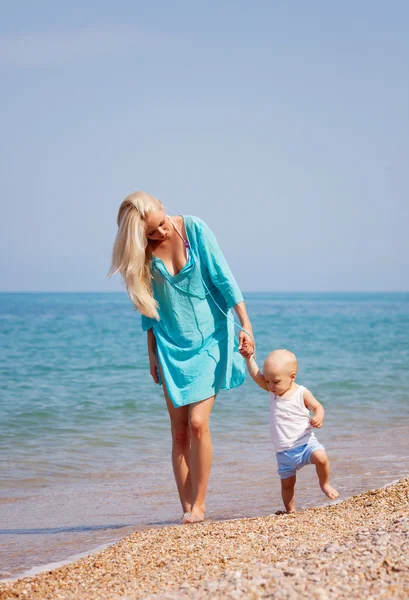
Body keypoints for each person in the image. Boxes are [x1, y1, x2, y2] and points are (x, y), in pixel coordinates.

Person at [109, 191, 254, 523]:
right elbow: (148, 307)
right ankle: (187, 507)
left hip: (212, 338)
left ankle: (200, 504)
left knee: (198, 423)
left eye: (161, 224)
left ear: (162, 206)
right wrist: (151, 353)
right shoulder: (141, 256)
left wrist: (246, 325)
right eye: (151, 233)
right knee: (179, 432)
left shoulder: (194, 230)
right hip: (171, 345)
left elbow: (224, 278)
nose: (161, 234)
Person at [245, 348, 338, 513]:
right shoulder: (274, 392)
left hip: (305, 443)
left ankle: (324, 484)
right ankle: (290, 510)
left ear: (292, 377)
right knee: (287, 484)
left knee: (321, 457)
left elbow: (318, 406)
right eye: (268, 381)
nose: (270, 386)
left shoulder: (301, 392)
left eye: (275, 382)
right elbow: (255, 375)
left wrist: (318, 416)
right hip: (284, 452)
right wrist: (248, 358)